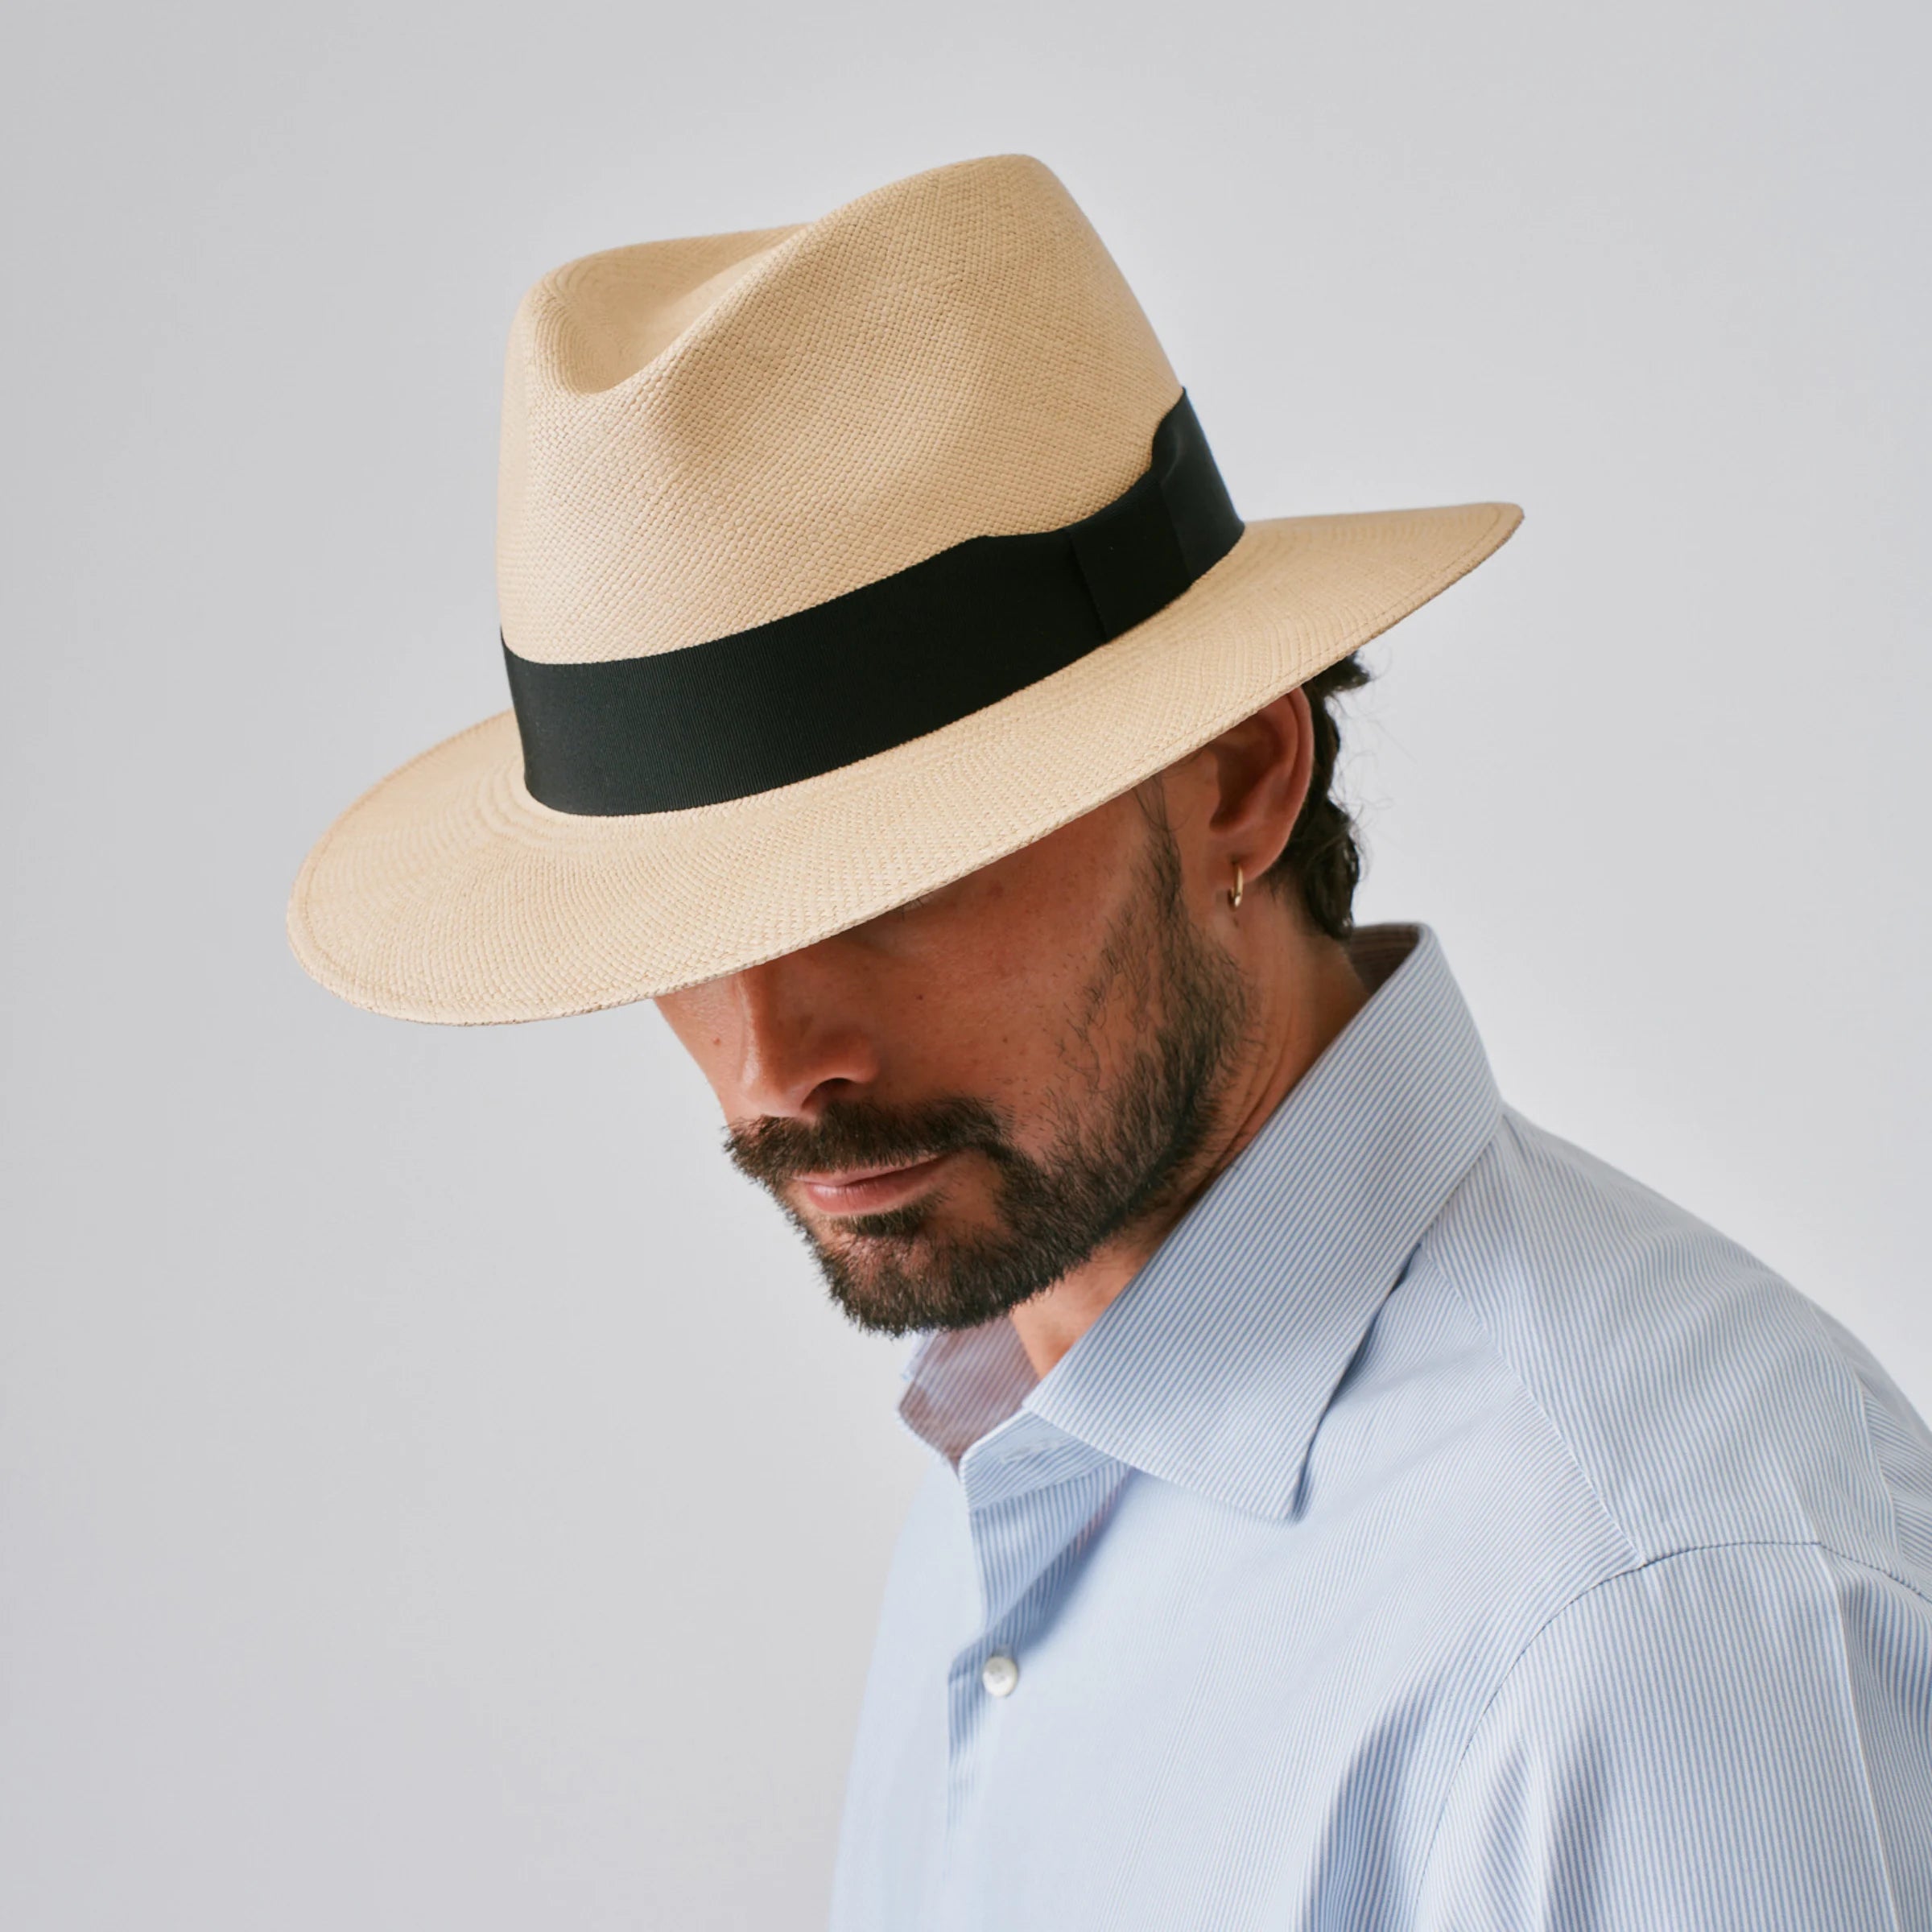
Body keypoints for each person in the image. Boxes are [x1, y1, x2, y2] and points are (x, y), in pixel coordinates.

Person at [290, 155, 1932, 1929]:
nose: (771, 1066)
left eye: (882, 888)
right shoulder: (1032, 1434)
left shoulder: (1647, 1624)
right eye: (683, 942)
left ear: (1238, 775)